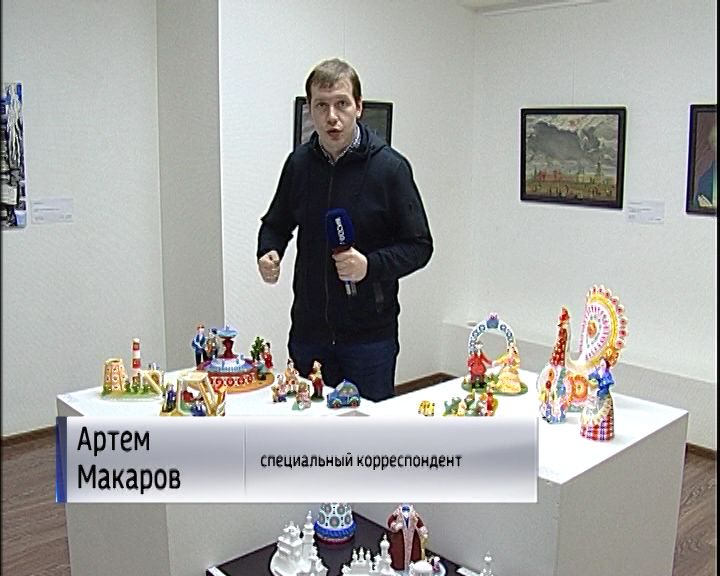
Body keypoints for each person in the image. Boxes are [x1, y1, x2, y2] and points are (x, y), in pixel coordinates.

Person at [256, 58, 433, 402]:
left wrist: (369, 266)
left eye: (341, 104)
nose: (332, 116)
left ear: (358, 107)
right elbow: (275, 223)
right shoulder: (299, 165)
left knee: (365, 431)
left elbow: (419, 246)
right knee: (308, 429)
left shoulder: (390, 169)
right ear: (310, 110)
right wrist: (268, 251)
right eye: (321, 106)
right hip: (309, 334)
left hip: (369, 340)